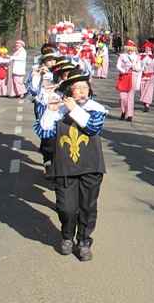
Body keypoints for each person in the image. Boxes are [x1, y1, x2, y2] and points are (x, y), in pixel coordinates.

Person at [34, 68, 107, 261]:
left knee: (87, 207)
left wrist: (75, 109)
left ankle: (83, 241)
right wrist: (50, 111)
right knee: (66, 208)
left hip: (91, 167)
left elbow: (92, 128)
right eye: (77, 88)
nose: (82, 91)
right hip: (65, 167)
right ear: (69, 92)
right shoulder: (61, 111)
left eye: (85, 87)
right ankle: (67, 236)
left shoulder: (96, 109)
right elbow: (44, 133)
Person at [116, 40, 141, 122]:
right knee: (123, 97)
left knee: (130, 97)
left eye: (131, 49)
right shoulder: (122, 56)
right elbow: (118, 65)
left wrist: (134, 67)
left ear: (134, 49)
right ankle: (123, 111)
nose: (130, 51)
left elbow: (139, 68)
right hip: (123, 77)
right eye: (128, 49)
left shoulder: (137, 57)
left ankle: (130, 115)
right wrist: (123, 70)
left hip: (133, 77)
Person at [139, 41, 154, 112]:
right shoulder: (141, 56)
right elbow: (137, 65)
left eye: (148, 48)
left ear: (151, 49)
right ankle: (145, 103)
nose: (147, 49)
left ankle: (147, 105)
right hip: (142, 75)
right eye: (146, 48)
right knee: (142, 90)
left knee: (149, 91)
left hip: (151, 76)